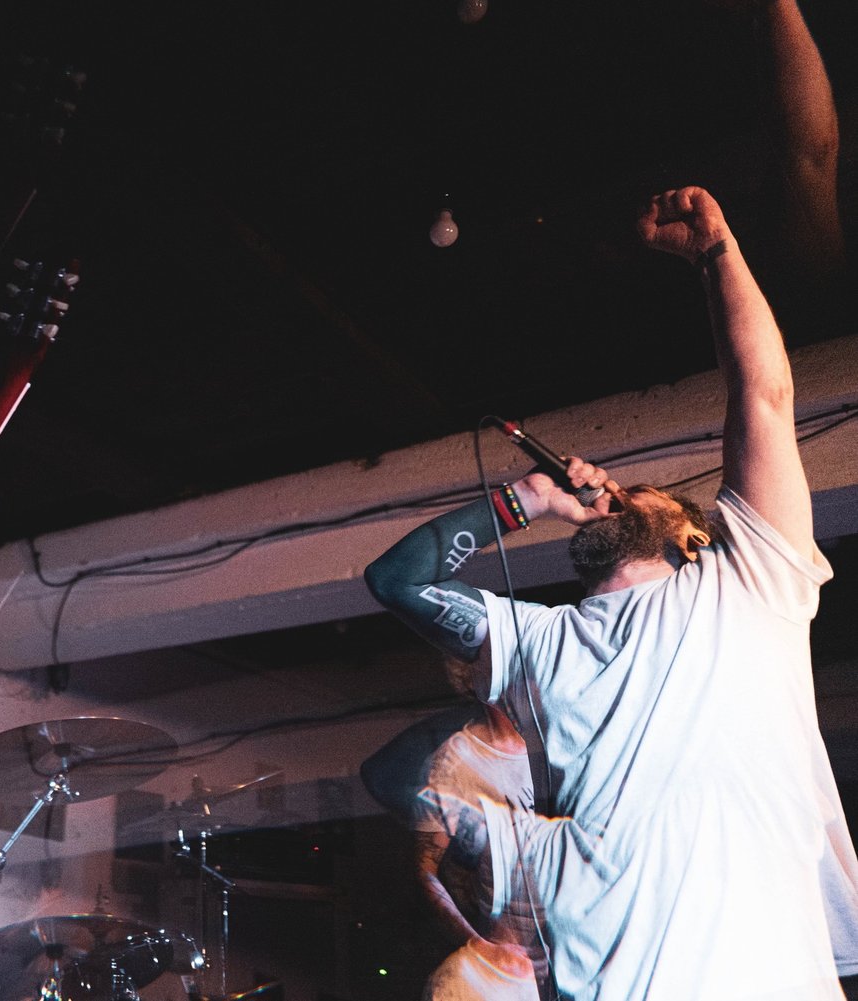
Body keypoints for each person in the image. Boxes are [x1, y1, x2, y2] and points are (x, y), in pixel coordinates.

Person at [365, 187, 853, 999]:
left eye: (644, 494)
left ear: (691, 537)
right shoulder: (543, 641)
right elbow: (395, 581)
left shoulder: (747, 583)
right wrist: (528, 499)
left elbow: (763, 398)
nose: (615, 493)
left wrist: (717, 251)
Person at [414, 701, 546, 1001]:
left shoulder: (561, 745)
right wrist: (478, 943)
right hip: (496, 967)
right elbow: (427, 868)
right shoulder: (456, 761)